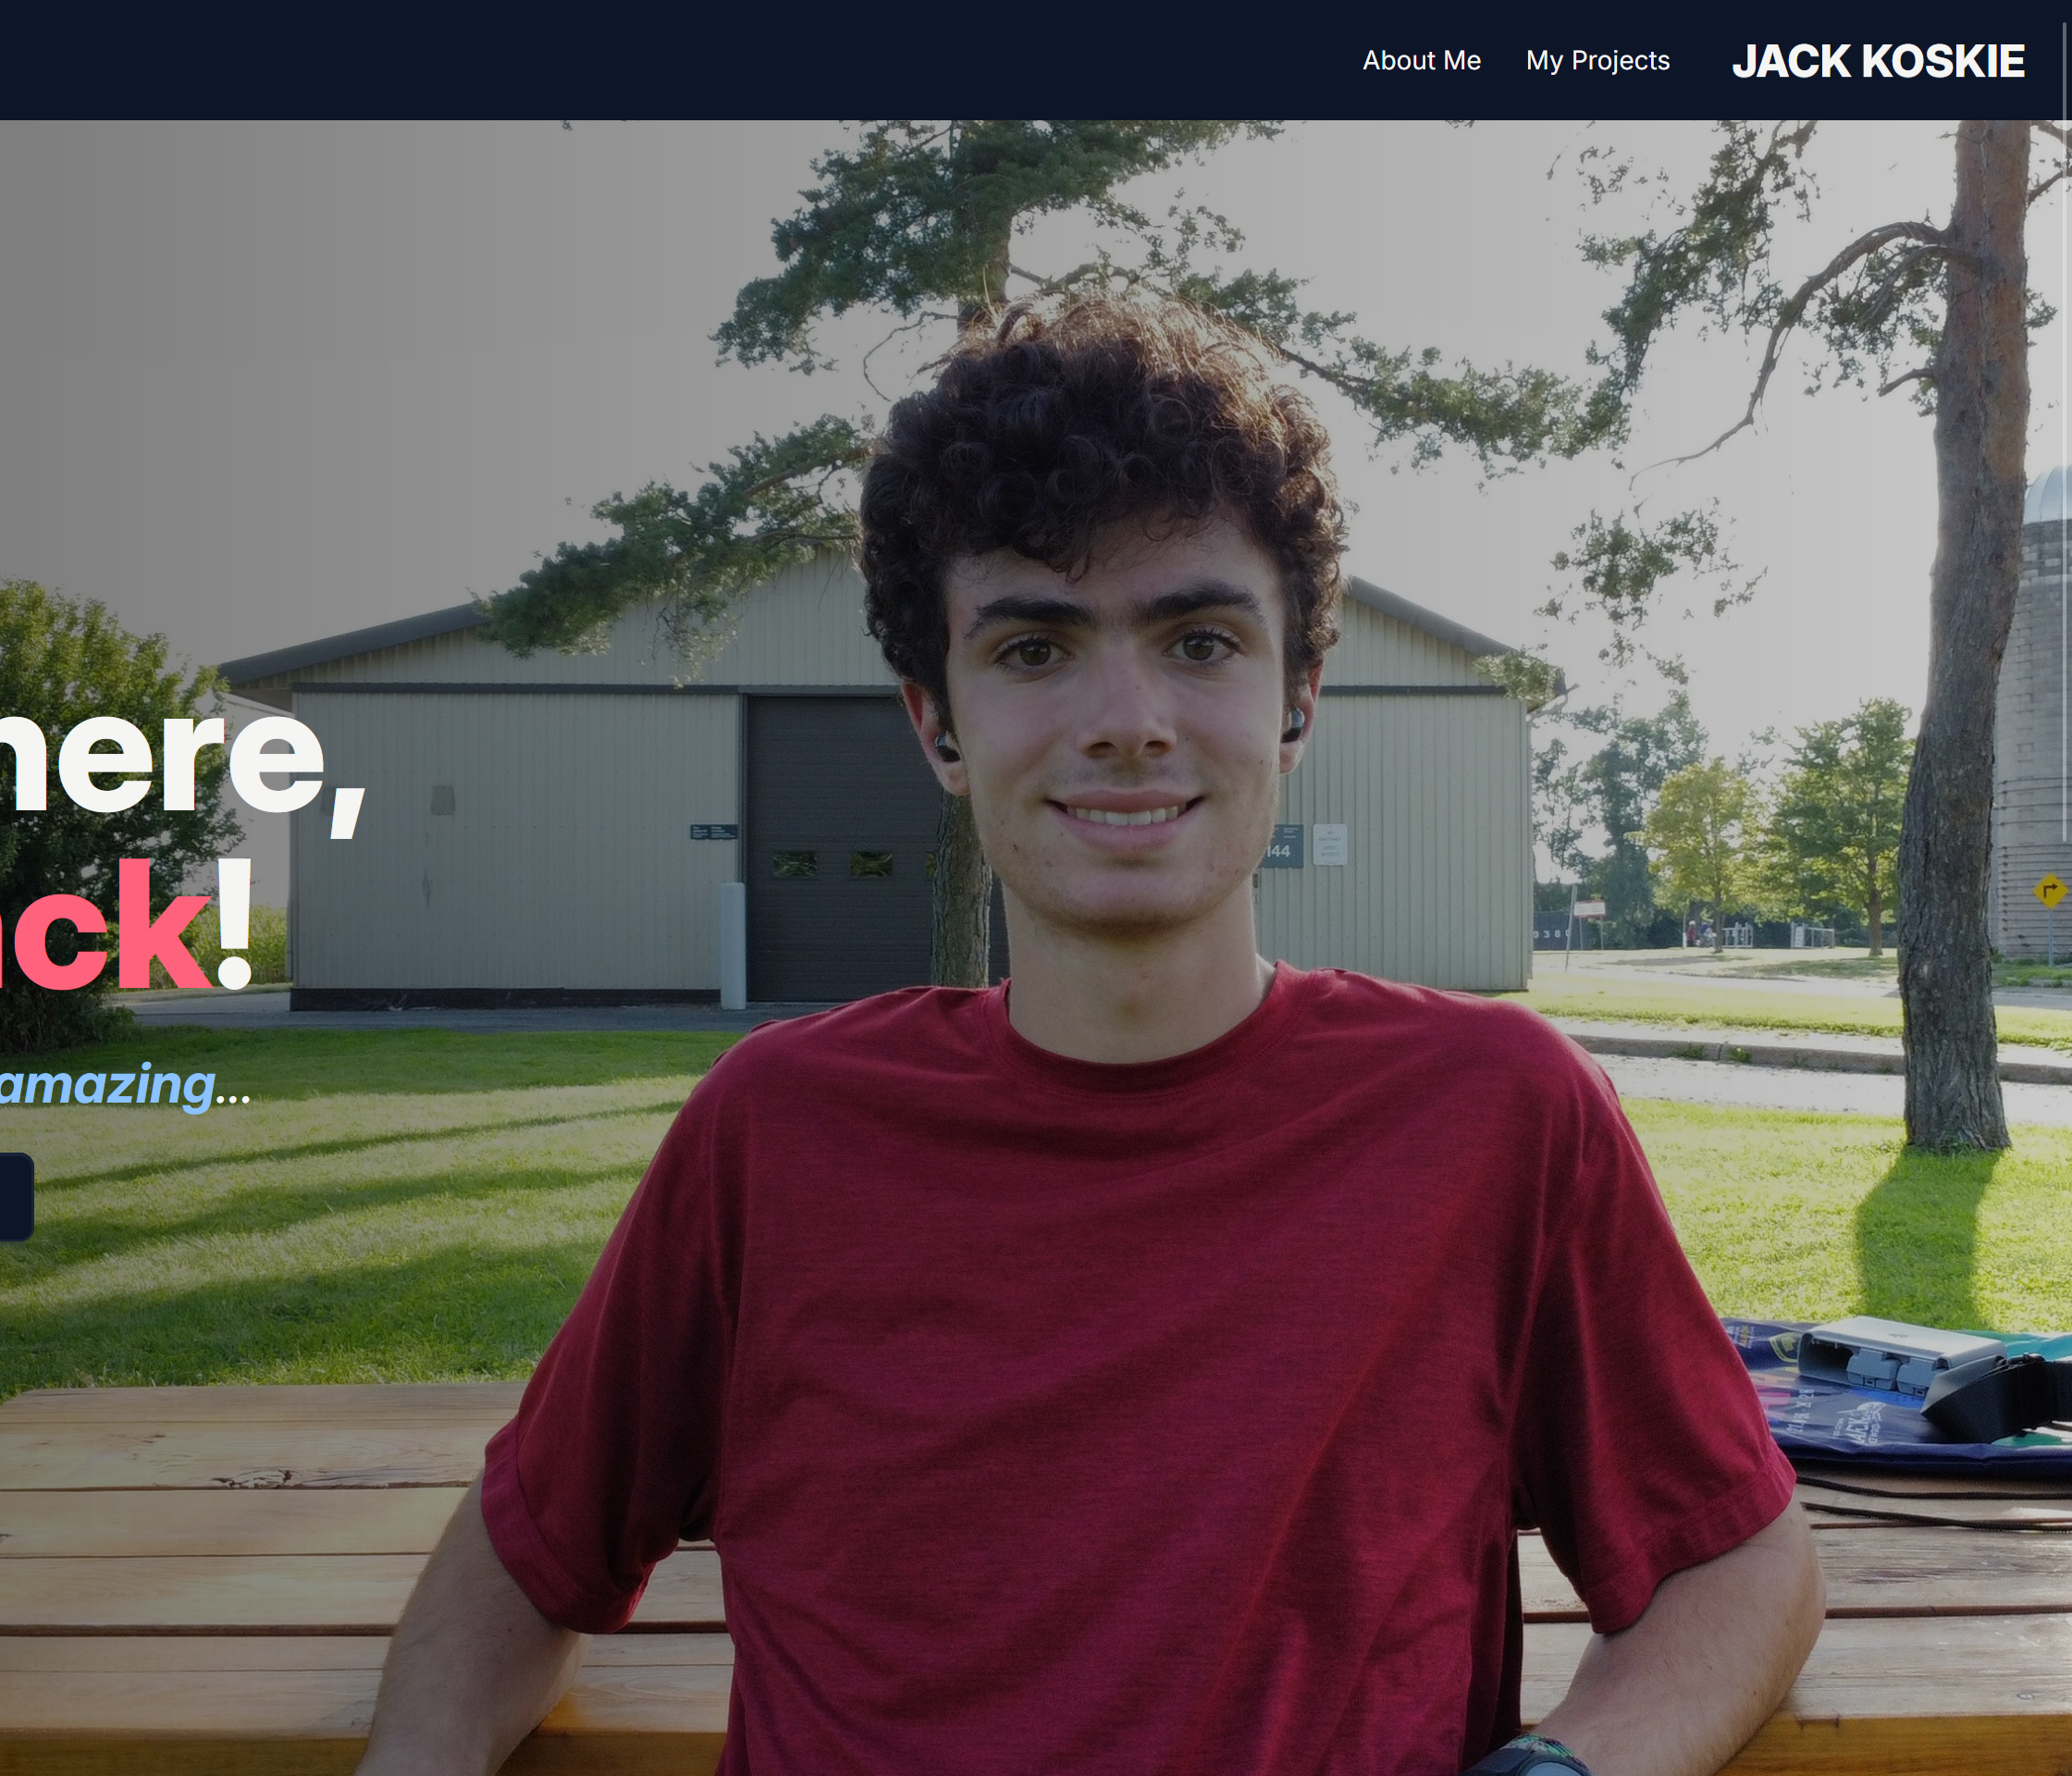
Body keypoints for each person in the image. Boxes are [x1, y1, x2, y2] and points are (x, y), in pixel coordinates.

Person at [352, 299, 1823, 1776]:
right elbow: (527, 1547)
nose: (1127, 720)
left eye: (1196, 638)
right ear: (937, 722)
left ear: (1299, 695)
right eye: (1037, 649)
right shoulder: (776, 1132)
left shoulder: (1494, 1116)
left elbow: (1739, 1564)